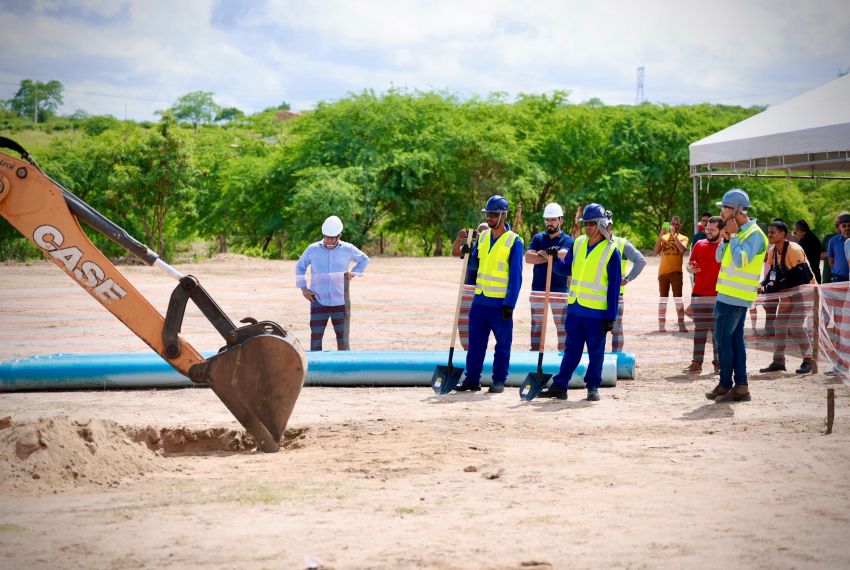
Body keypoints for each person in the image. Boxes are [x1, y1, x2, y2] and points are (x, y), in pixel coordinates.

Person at [537, 203, 621, 401]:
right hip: (575, 309)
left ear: (601, 224)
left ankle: (593, 387)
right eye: (586, 223)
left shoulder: (611, 251)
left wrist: (611, 317)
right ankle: (560, 386)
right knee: (571, 351)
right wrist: (555, 258)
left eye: (592, 223)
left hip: (596, 313)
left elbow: (614, 288)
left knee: (596, 353)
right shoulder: (579, 243)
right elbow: (566, 270)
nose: (588, 227)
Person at [455, 195, 524, 394]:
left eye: (494, 214)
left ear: (504, 215)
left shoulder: (514, 241)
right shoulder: (483, 237)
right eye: (488, 214)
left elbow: (516, 277)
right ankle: (472, 379)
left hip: (500, 304)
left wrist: (510, 303)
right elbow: (475, 264)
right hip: (480, 300)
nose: (490, 218)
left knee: (502, 345)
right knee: (475, 343)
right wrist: (466, 252)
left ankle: (499, 381)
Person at [705, 189, 767, 403]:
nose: (722, 212)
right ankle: (740, 386)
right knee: (734, 342)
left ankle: (726, 385)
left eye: (725, 208)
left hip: (734, 298)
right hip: (728, 296)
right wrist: (726, 238)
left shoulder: (755, 235)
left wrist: (732, 236)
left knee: (723, 342)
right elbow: (719, 257)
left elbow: (740, 261)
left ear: (739, 210)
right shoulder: (738, 233)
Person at [295, 215, 369, 351]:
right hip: (317, 299)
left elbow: (364, 259)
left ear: (339, 235)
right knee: (316, 338)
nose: (329, 240)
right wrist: (303, 289)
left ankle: (344, 369)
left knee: (343, 339)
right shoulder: (312, 249)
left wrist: (354, 272)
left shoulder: (348, 249)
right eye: (326, 236)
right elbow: (300, 267)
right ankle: (317, 369)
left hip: (340, 301)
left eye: (332, 237)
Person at [758, 221, 816, 374]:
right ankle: (778, 362)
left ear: (783, 234)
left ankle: (809, 360)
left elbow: (803, 276)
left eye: (773, 232)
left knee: (795, 325)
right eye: (769, 232)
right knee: (779, 325)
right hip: (788, 292)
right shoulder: (772, 251)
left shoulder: (794, 249)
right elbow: (773, 274)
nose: (769, 235)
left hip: (805, 290)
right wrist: (763, 286)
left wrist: (786, 297)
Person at [525, 203, 573, 352]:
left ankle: (563, 360)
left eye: (552, 219)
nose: (549, 223)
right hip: (538, 289)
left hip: (559, 290)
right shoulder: (538, 237)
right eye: (547, 219)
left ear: (561, 220)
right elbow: (528, 257)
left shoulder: (568, 240)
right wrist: (551, 255)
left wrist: (540, 253)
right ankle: (535, 357)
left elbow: (563, 256)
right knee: (536, 326)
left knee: (563, 327)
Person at [683, 216, 724, 374]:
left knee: (717, 332)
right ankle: (696, 362)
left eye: (712, 230)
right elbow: (689, 263)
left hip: (719, 296)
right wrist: (689, 268)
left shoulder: (725, 247)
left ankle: (719, 363)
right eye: (707, 229)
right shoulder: (699, 244)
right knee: (699, 331)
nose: (708, 232)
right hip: (698, 294)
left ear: (721, 230)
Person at [607, 210, 646, 353]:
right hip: (596, 295)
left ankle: (616, 361)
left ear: (610, 226)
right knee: (598, 331)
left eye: (607, 225)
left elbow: (641, 261)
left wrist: (628, 278)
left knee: (616, 330)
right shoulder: (590, 242)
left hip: (617, 295)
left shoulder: (621, 244)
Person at [452, 222, 490, 350]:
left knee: (481, 323)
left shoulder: (492, 247)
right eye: (478, 232)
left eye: (484, 232)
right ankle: (467, 348)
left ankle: (478, 349)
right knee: (463, 321)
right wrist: (459, 239)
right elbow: (455, 252)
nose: (480, 234)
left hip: (484, 290)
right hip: (468, 288)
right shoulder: (471, 246)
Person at [653, 215, 689, 333]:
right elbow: (656, 250)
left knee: (678, 299)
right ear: (669, 224)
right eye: (673, 224)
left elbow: (682, 250)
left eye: (677, 224)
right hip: (663, 272)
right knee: (663, 299)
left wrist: (674, 236)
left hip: (676, 272)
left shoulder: (683, 238)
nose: (675, 226)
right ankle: (661, 324)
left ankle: (681, 324)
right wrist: (661, 234)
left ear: (680, 226)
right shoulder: (664, 237)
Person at [827, 213, 850, 282]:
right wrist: (836, 271)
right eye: (844, 226)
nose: (847, 228)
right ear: (839, 228)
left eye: (849, 225)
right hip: (838, 278)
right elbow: (831, 261)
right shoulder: (833, 241)